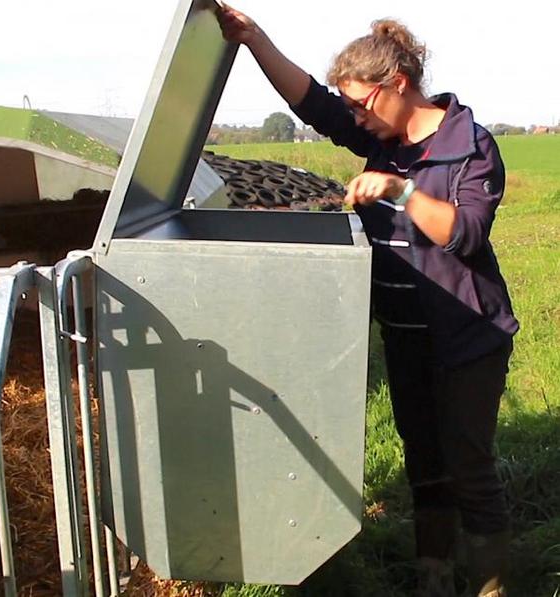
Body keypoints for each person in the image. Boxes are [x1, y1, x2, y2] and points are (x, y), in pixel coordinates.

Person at [218, 6, 519, 597]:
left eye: (361, 103)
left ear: (397, 86)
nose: (354, 115)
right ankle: (434, 575)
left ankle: (493, 585)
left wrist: (400, 190)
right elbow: (313, 103)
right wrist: (255, 40)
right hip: (405, 333)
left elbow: (464, 234)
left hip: (467, 338)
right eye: (351, 107)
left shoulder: (469, 146)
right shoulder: (380, 134)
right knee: (424, 462)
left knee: (469, 468)